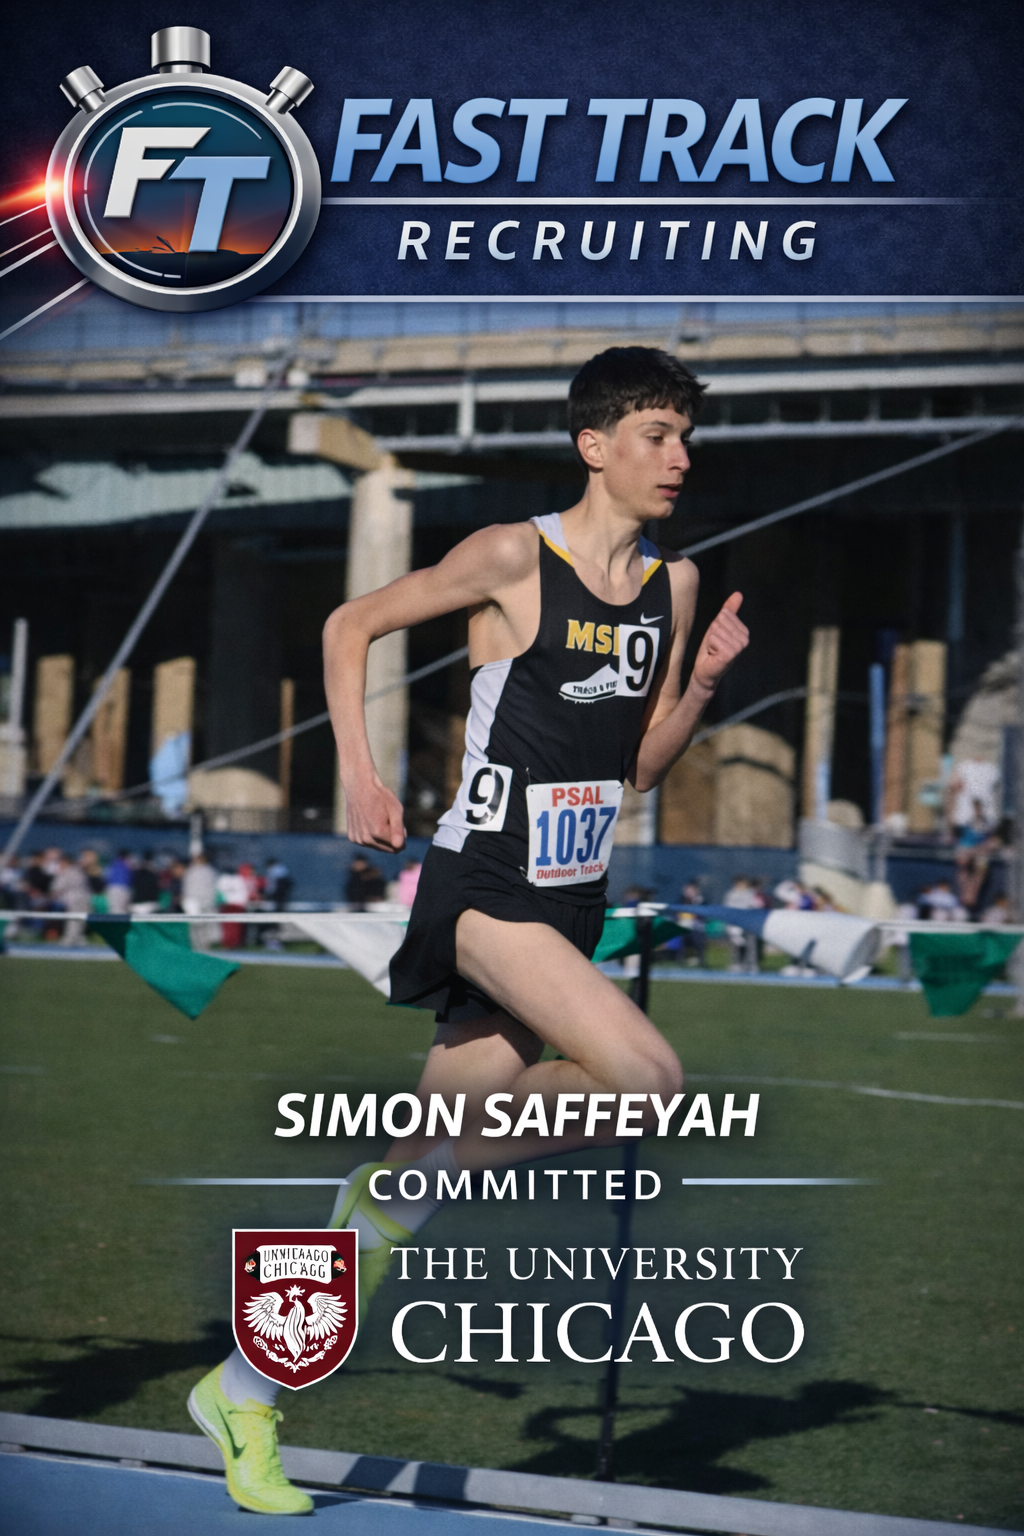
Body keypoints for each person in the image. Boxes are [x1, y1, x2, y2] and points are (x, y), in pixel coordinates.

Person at [188, 345, 749, 1514]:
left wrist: (695, 689)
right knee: (645, 1080)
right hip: (485, 884)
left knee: (424, 1175)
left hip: (572, 899)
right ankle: (373, 1207)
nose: (679, 457)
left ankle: (241, 1391)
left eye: (687, 436)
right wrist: (360, 770)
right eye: (657, 435)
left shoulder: (674, 586)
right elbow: (350, 624)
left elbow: (636, 767)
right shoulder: (512, 556)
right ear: (594, 446)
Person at [182, 852, 218, 950]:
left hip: (203, 901)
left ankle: (204, 944)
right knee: (197, 924)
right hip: (196, 902)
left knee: (203, 924)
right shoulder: (207, 871)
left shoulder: (208, 871)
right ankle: (199, 944)